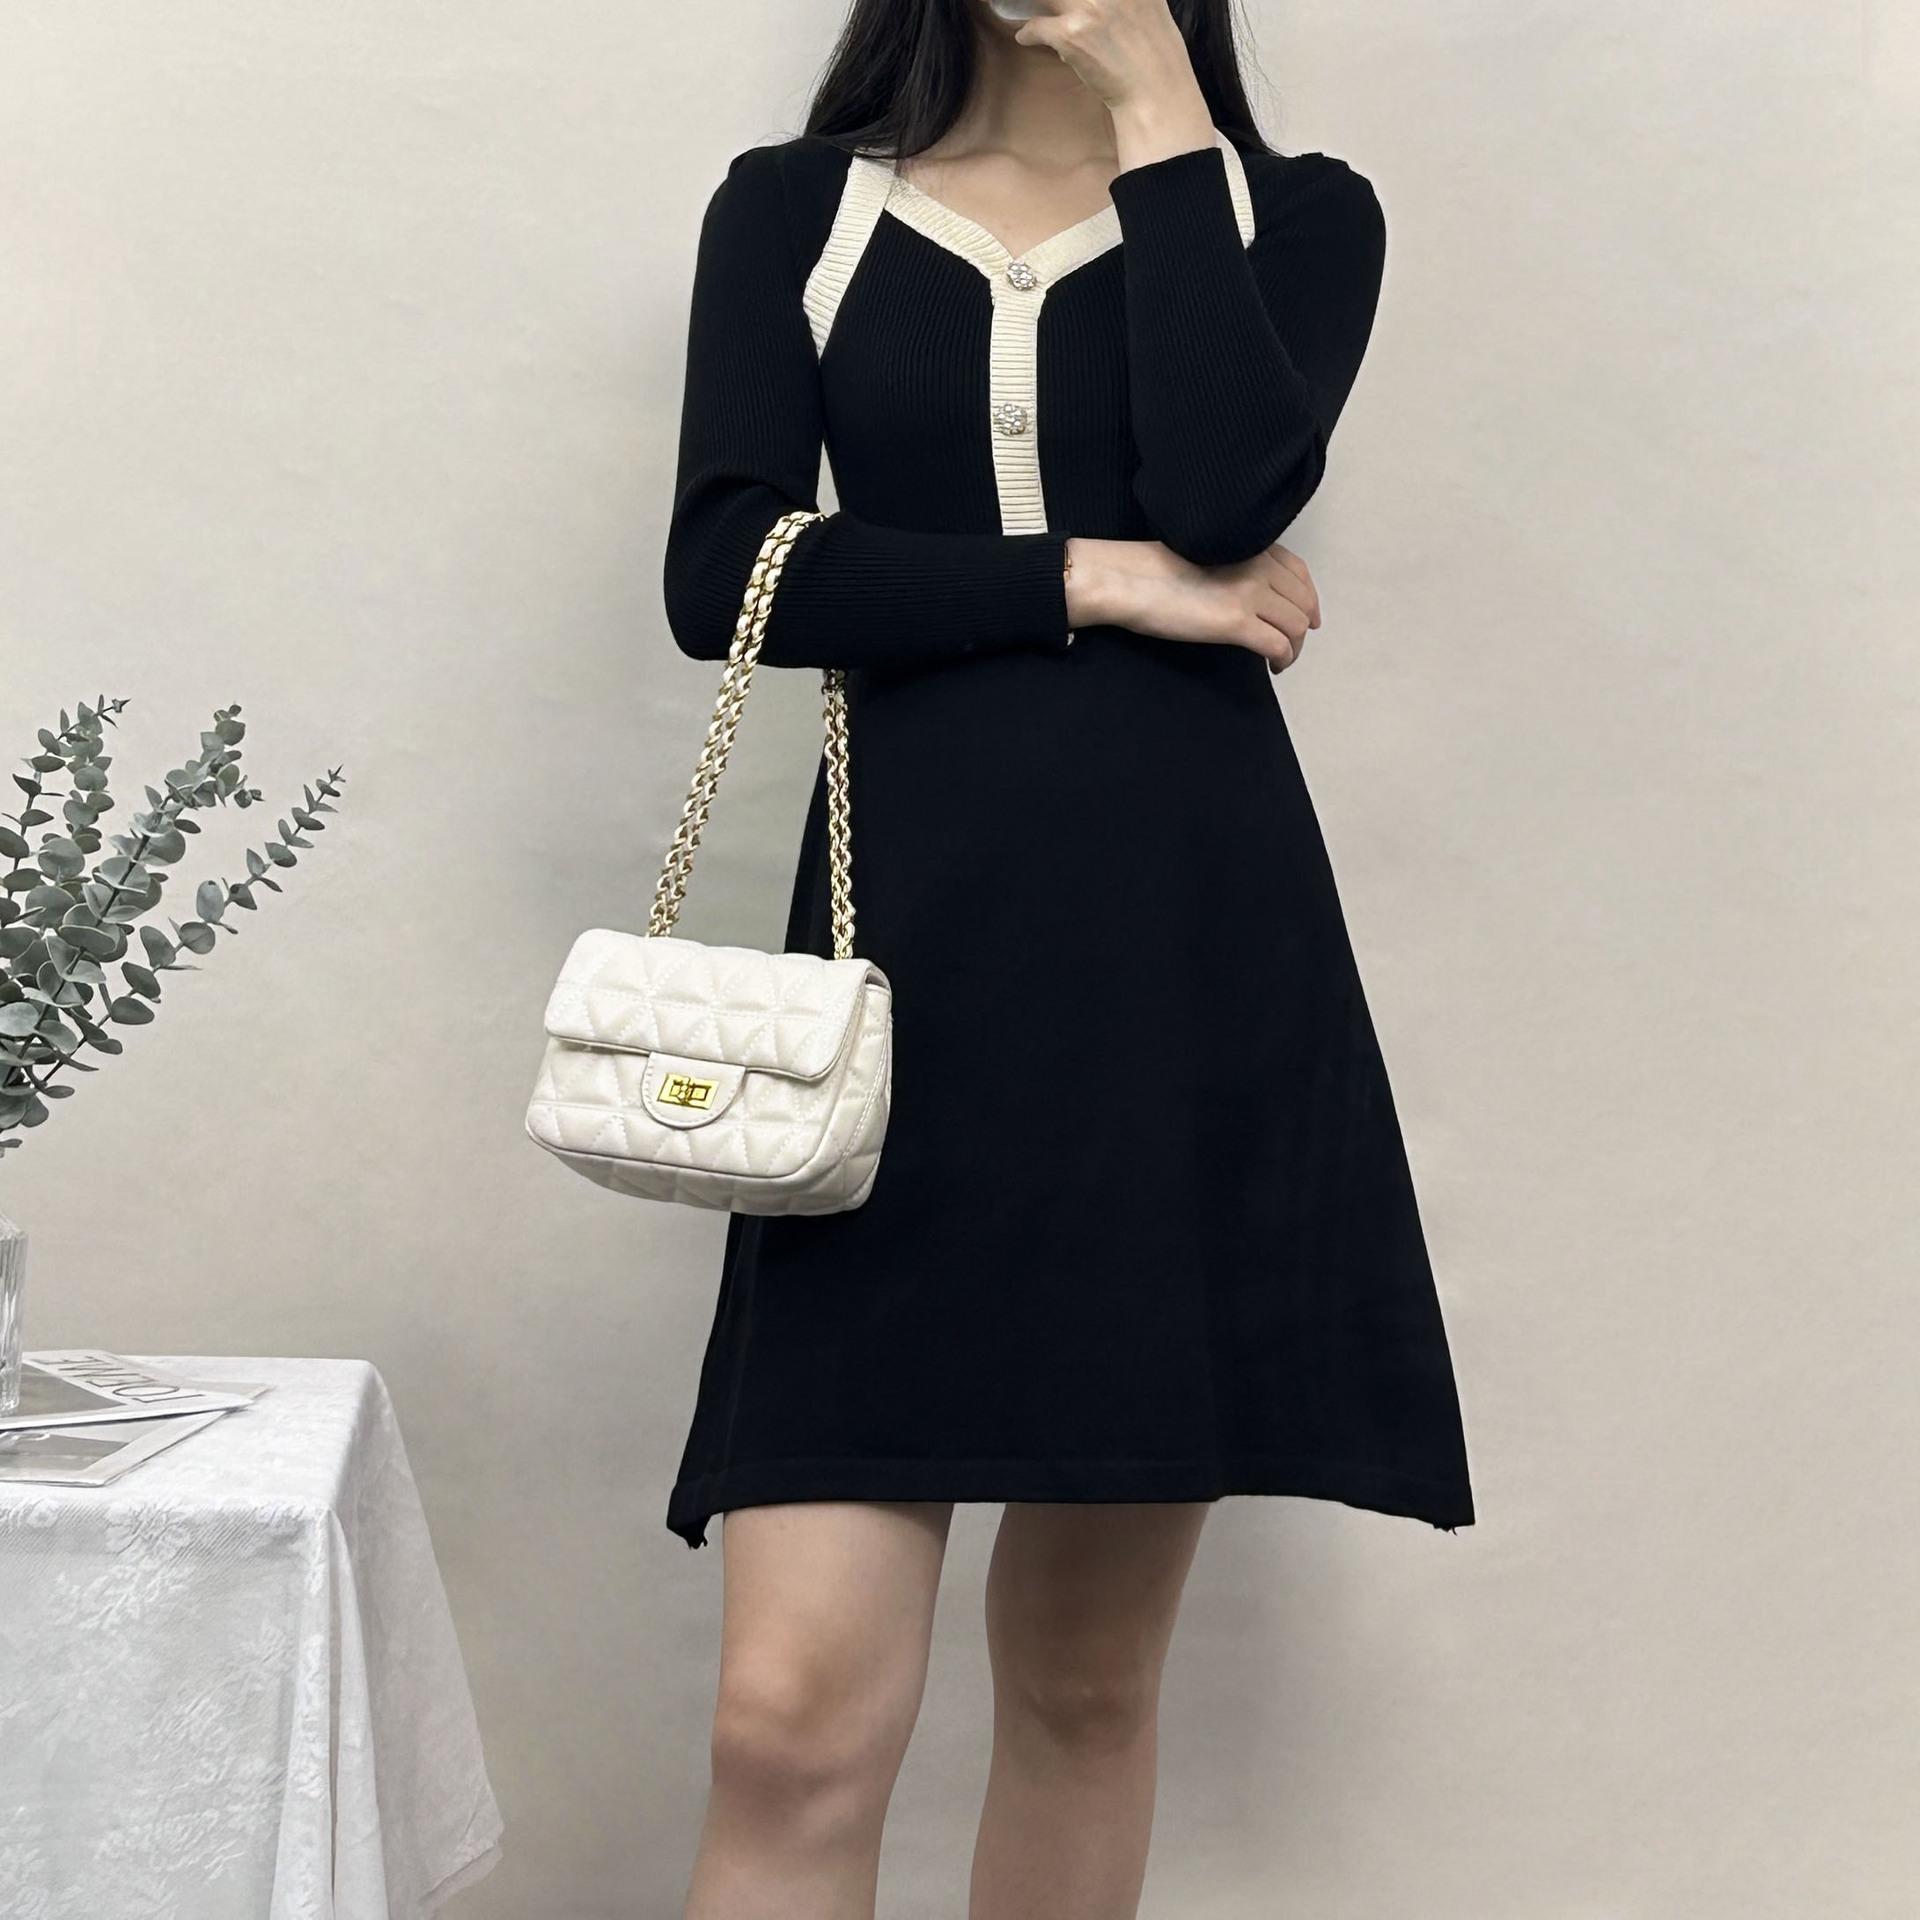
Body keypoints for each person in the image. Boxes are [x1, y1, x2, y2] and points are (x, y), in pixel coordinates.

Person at [659, 2, 1476, 1912]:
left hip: (1180, 967)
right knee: (786, 1720)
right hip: (900, 974)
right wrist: (1087, 579)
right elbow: (730, 574)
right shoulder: (798, 209)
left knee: (1087, 1686)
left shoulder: (1295, 218)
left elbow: (1224, 493)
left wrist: (1160, 106)